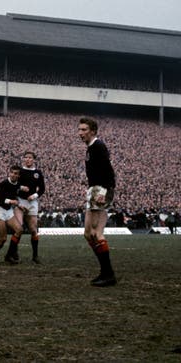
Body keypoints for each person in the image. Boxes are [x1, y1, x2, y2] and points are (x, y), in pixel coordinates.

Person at [78, 117, 117, 287]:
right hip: (94, 189)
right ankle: (105, 271)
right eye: (80, 130)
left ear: (93, 131)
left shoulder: (98, 146)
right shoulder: (91, 147)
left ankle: (108, 273)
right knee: (88, 234)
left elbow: (109, 170)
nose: (81, 133)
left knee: (95, 233)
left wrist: (105, 190)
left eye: (84, 130)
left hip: (100, 189)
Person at [13, 151, 45, 264]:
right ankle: (14, 253)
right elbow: (13, 184)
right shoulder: (19, 171)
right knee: (19, 228)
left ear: (34, 159)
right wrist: (21, 188)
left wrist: (35, 195)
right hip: (20, 201)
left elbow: (42, 189)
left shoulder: (38, 173)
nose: (27, 159)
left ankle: (35, 255)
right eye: (25, 157)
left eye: (30, 157)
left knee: (33, 230)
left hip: (32, 202)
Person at [0, 165, 23, 264]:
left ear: (19, 176)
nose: (13, 175)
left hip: (8, 210)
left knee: (19, 230)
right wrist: (11, 201)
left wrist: (19, 205)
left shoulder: (17, 184)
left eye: (15, 173)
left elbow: (14, 195)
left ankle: (9, 255)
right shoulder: (4, 183)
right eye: (11, 172)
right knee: (3, 238)